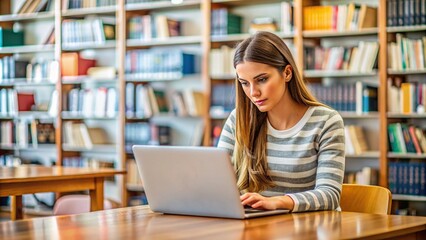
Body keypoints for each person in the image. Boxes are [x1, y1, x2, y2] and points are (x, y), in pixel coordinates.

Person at [217, 31, 345, 213]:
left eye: (261, 80)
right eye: (244, 83)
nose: (253, 92)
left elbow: (329, 195)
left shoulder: (326, 121)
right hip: (258, 228)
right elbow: (217, 182)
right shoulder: (238, 119)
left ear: (286, 73)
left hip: (310, 229)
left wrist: (277, 202)